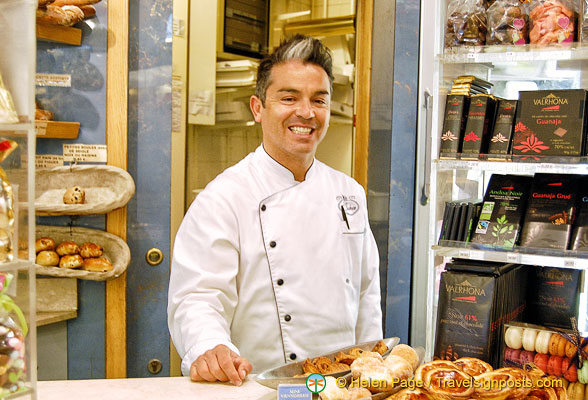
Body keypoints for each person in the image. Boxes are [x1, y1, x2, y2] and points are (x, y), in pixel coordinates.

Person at [167, 34, 382, 386]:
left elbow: (365, 292)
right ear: (257, 107)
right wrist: (211, 345)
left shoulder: (349, 193)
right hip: (258, 386)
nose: (306, 112)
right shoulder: (223, 198)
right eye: (289, 98)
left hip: (343, 387)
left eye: (319, 100)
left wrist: (371, 371)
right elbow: (199, 296)